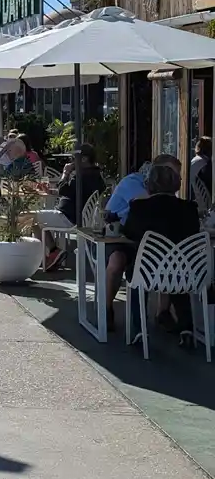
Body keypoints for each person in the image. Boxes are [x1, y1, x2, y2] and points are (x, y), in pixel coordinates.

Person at [122, 160, 201, 341]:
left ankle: (139, 328)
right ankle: (186, 327)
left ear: (149, 185)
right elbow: (194, 233)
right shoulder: (190, 208)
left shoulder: (139, 207)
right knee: (175, 268)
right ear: (176, 184)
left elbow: (129, 232)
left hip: (148, 270)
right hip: (185, 272)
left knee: (135, 276)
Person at [102, 154, 182, 328]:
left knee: (169, 254)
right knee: (117, 260)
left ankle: (163, 312)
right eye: (172, 174)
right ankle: (106, 309)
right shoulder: (134, 183)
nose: (176, 179)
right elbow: (150, 207)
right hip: (116, 237)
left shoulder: (162, 188)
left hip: (140, 237)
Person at [39, 144, 107, 270]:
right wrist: (52, 192)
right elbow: (69, 192)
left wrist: (66, 173)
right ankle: (52, 253)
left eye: (74, 158)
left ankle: (53, 252)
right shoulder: (95, 175)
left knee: (30, 217)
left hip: (68, 217)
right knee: (36, 216)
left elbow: (63, 188)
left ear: (84, 159)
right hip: (74, 216)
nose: (71, 161)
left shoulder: (83, 176)